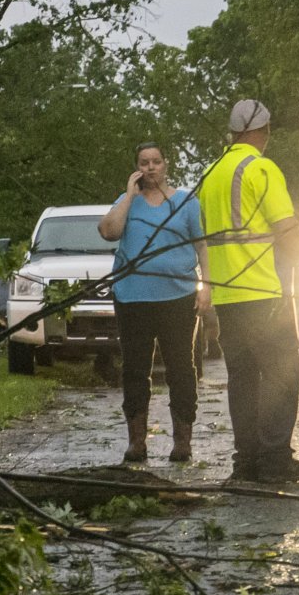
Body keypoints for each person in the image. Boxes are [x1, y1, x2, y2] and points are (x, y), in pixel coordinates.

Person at [195, 99, 299, 484]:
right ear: (263, 131)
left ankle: (245, 463)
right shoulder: (261, 168)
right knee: (285, 375)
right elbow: (285, 227)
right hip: (265, 291)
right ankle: (274, 461)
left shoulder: (211, 173)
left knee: (244, 380)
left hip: (227, 295)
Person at [97, 141, 206, 465]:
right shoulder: (126, 202)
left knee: (181, 369)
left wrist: (206, 288)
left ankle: (182, 443)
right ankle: (137, 443)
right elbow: (108, 231)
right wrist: (129, 195)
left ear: (166, 164)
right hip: (133, 298)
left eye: (156, 161)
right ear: (136, 168)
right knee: (134, 369)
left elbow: (201, 246)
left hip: (178, 296)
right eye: (144, 163)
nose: (150, 168)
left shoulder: (185, 201)